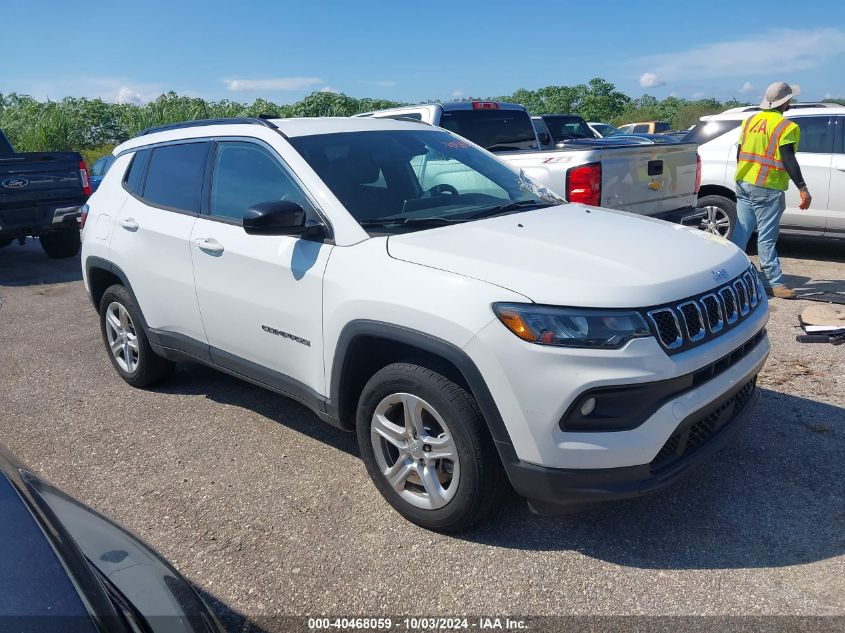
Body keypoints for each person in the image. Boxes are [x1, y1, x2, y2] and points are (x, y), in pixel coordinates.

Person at [731, 81, 812, 299]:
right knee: (767, 237)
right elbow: (788, 159)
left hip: (743, 183)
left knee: (741, 232)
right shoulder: (786, 127)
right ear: (786, 102)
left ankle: (729, 277)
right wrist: (803, 188)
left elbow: (740, 152)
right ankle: (775, 283)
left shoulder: (750, 121)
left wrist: (744, 176)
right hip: (767, 187)